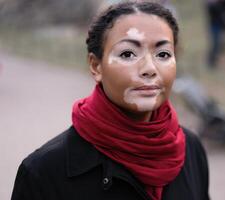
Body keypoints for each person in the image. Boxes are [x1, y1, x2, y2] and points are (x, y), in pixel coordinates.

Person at [11, 2, 210, 200]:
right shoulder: (44, 172)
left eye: (163, 54)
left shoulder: (190, 149)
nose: (150, 68)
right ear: (96, 66)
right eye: (127, 54)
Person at [205, 0, 224, 69]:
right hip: (214, 27)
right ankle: (211, 62)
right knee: (215, 45)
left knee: (218, 45)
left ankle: (213, 61)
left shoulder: (216, 4)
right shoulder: (212, 6)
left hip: (217, 26)